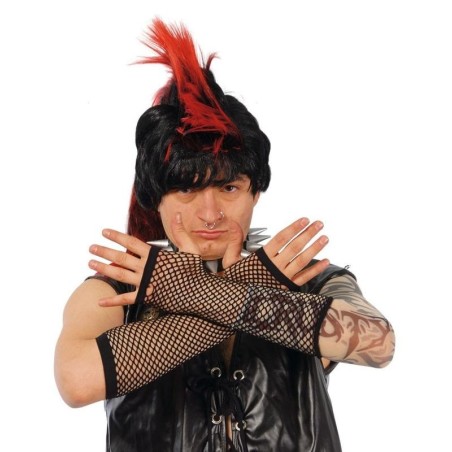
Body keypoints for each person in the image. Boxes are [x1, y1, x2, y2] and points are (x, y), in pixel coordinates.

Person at [54, 18, 395, 452]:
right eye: (186, 189)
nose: (210, 213)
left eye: (229, 188)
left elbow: (379, 344)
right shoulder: (119, 289)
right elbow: (76, 380)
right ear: (155, 199)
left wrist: (201, 292)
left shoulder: (304, 279)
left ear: (255, 192)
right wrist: (241, 290)